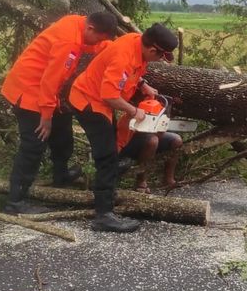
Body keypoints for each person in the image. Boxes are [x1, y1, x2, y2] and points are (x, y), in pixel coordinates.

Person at [1, 12, 118, 215]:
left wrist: (110, 46)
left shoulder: (78, 24)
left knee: (62, 129)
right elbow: (50, 80)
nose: (99, 42)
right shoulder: (68, 43)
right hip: (29, 90)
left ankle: (61, 174)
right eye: (100, 38)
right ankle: (15, 201)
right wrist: (46, 117)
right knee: (34, 143)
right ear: (90, 29)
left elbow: (91, 45)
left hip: (45, 90)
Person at [68, 23, 178, 232]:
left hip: (99, 101)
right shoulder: (123, 56)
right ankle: (104, 215)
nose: (159, 61)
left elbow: (130, 74)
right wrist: (135, 111)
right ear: (152, 49)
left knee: (110, 149)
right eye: (160, 57)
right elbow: (109, 95)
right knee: (107, 155)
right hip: (88, 101)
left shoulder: (137, 43)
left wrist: (142, 83)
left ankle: (103, 187)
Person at [116, 97, 183, 193]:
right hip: (126, 144)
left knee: (176, 140)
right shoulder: (129, 111)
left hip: (149, 136)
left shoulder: (152, 98)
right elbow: (124, 135)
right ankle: (141, 181)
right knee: (152, 140)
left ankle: (168, 179)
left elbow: (160, 128)